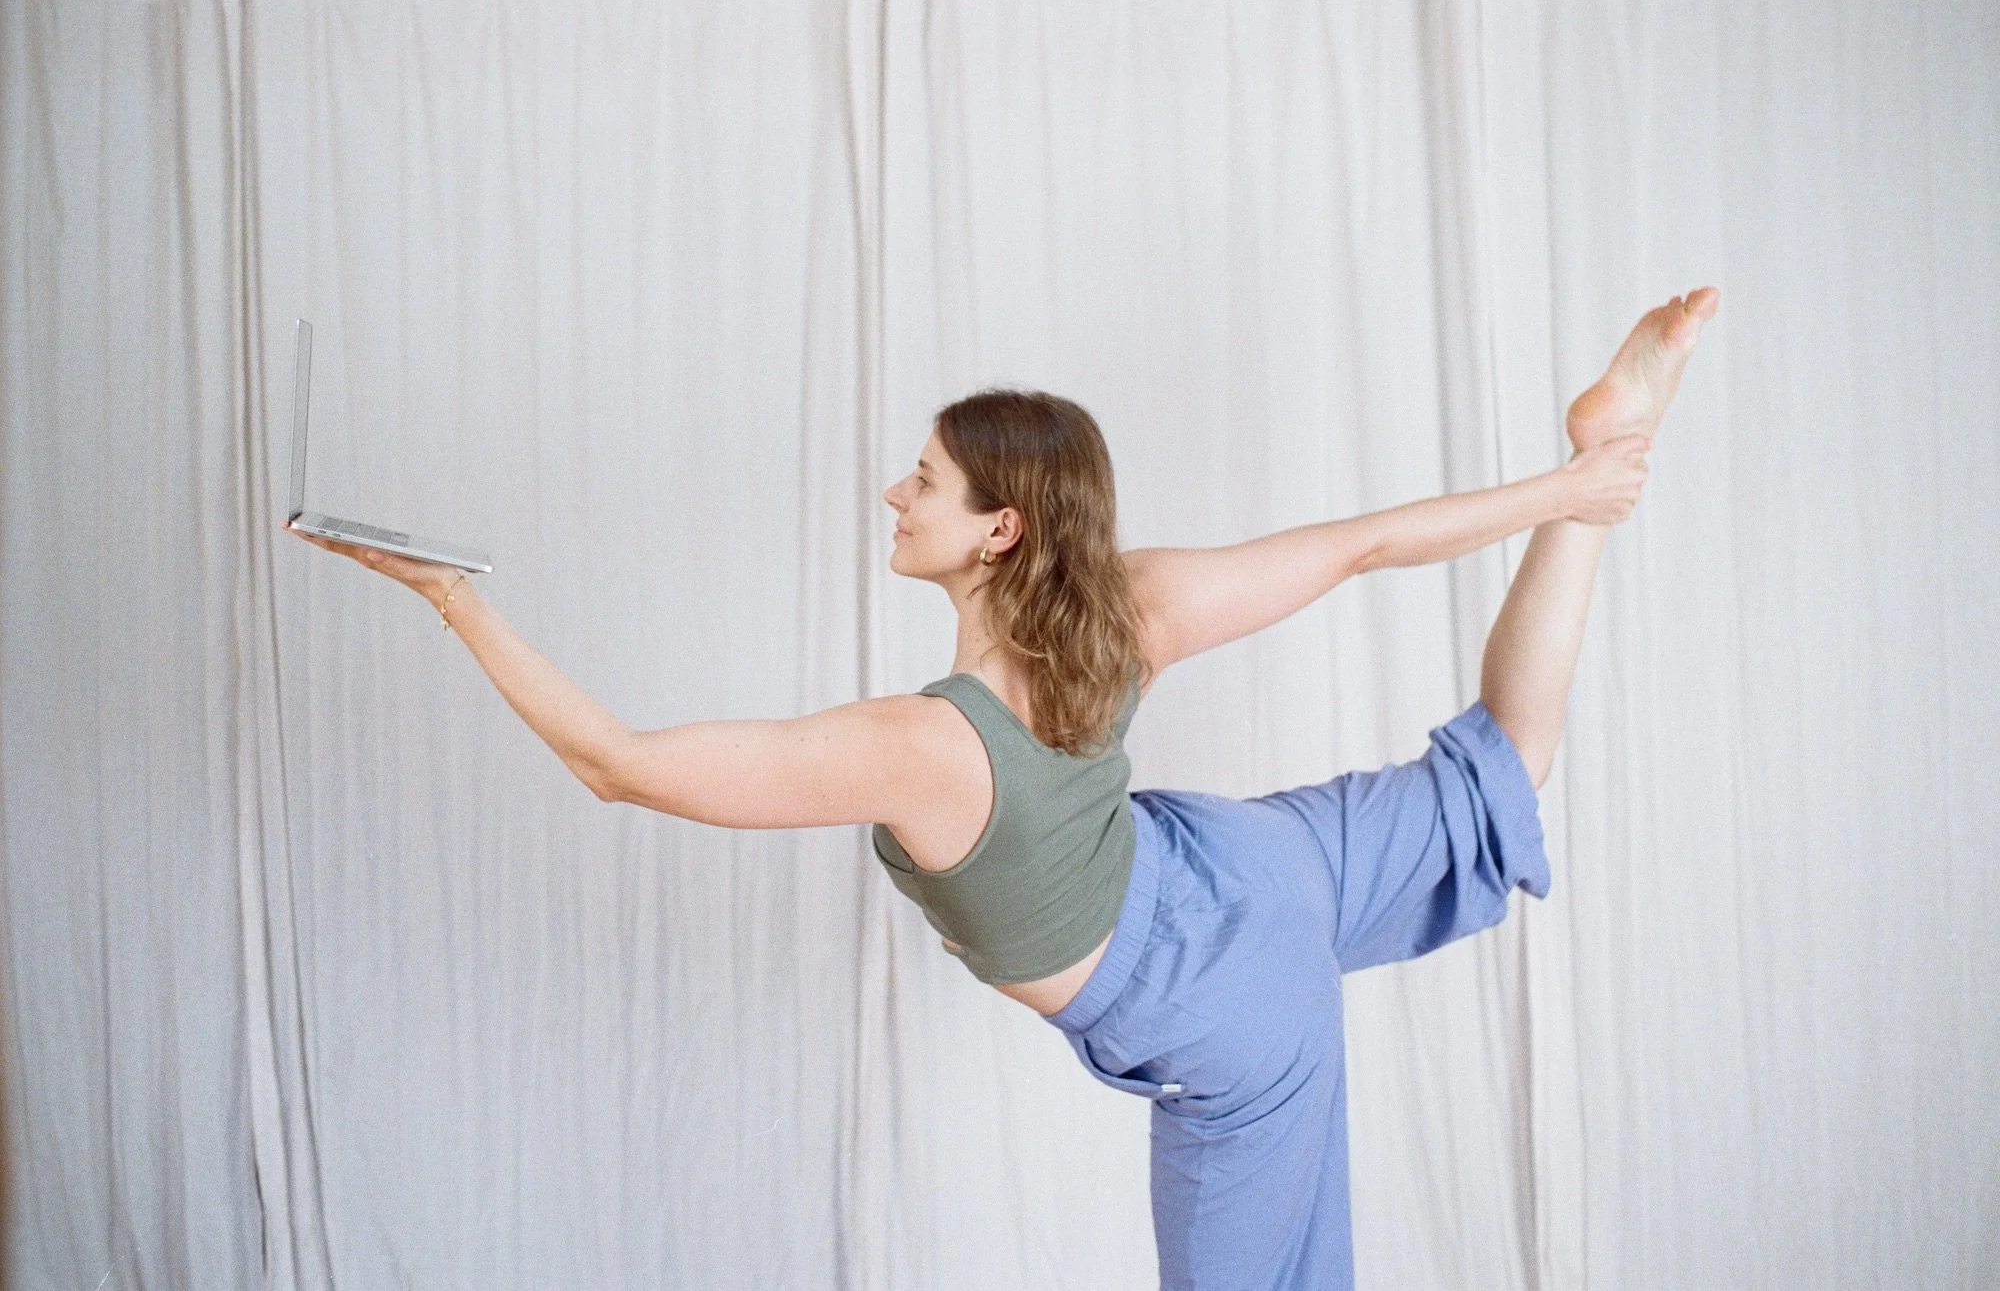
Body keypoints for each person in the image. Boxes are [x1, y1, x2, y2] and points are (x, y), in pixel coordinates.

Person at [292, 286, 1719, 1288]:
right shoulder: (1124, 610)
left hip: (1228, 1012)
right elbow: (1363, 546)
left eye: (922, 481)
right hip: (1241, 871)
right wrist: (1564, 490)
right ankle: (1612, 449)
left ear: (996, 528)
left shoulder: (922, 746)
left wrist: (452, 604)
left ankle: (1597, 472)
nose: (893, 495)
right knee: (1502, 766)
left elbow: (619, 764)